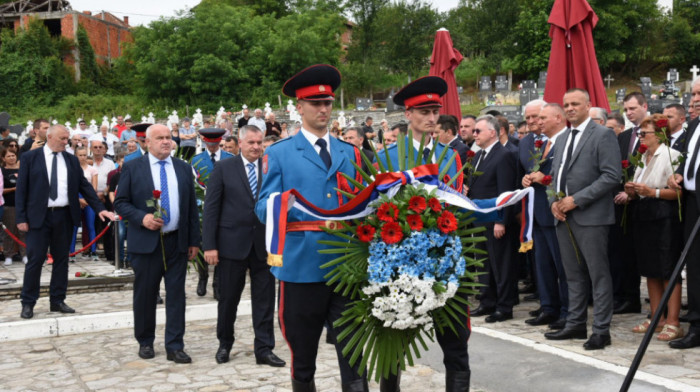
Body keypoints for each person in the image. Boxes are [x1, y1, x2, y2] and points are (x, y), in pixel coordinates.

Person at [255, 64, 368, 392]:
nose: (323, 109)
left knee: (355, 357)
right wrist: (281, 204)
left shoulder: (351, 153)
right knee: (303, 360)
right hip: (301, 268)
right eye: (315, 103)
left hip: (347, 267)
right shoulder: (279, 154)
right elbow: (262, 208)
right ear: (299, 108)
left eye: (328, 103)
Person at [377, 76, 470, 392]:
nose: (432, 118)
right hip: (399, 267)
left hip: (443, 264)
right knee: (393, 349)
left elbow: (456, 209)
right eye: (424, 111)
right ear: (407, 115)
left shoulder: (449, 157)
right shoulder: (386, 158)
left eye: (435, 111)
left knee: (456, 347)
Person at [114, 124, 200, 363]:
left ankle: (175, 345)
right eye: (160, 138)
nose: (166, 142)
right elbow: (120, 203)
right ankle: (145, 341)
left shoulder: (183, 168)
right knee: (145, 294)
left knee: (176, 295)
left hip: (177, 242)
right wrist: (142, 217)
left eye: (168, 138)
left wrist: (194, 240)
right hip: (147, 242)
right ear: (147, 143)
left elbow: (191, 207)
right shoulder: (132, 168)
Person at [545, 88, 621, 350]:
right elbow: (555, 176)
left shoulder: (603, 135)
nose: (569, 108)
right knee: (572, 274)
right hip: (563, 216)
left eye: (575, 103)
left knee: (598, 274)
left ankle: (601, 330)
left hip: (591, 216)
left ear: (589, 105)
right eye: (566, 104)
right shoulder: (563, 137)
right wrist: (553, 202)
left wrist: (576, 199)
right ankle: (576, 323)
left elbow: (611, 176)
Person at [202, 124, 284, 367]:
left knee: (265, 300)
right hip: (230, 246)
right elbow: (211, 209)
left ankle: (264, 348)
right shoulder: (223, 168)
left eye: (260, 143)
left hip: (264, 246)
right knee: (228, 300)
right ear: (239, 143)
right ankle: (224, 343)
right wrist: (210, 245)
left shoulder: (271, 169)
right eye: (251, 143)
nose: (256, 147)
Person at [16, 125, 114, 319]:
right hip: (39, 217)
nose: (67, 142)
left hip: (64, 216)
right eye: (62, 138)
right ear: (50, 137)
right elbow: (22, 190)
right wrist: (21, 217)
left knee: (62, 260)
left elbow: (84, 187)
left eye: (67, 138)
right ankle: (28, 302)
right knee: (35, 260)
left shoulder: (70, 160)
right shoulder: (30, 158)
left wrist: (101, 209)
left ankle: (57, 300)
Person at [624, 114, 684, 341]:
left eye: (644, 133)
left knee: (668, 268)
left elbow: (679, 192)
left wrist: (653, 192)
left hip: (664, 215)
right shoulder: (643, 157)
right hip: (644, 213)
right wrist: (632, 189)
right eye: (639, 133)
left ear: (659, 134)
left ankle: (673, 321)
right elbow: (642, 186)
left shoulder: (671, 155)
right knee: (650, 269)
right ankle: (657, 317)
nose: (640, 137)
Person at [521, 103, 569, 329]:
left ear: (558, 118)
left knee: (563, 266)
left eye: (542, 118)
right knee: (543, 265)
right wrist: (528, 178)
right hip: (538, 211)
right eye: (535, 118)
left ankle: (567, 311)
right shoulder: (541, 144)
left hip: (557, 210)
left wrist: (545, 179)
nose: (537, 122)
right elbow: (535, 170)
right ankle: (549, 307)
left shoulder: (567, 140)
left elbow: (566, 173)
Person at [667, 77, 700, 349]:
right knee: (696, 265)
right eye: (693, 93)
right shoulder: (695, 126)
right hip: (691, 201)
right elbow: (690, 160)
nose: (696, 98)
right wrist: (679, 174)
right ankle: (697, 325)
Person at [191, 128, 234, 299]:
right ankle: (203, 278)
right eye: (210, 143)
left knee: (222, 246)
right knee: (203, 245)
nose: (213, 146)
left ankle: (217, 283)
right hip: (203, 208)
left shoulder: (230, 159)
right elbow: (193, 186)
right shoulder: (196, 160)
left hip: (225, 208)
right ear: (204, 142)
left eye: (216, 143)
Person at [69, 146, 99, 262]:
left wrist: (87, 199)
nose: (82, 157)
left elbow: (94, 188)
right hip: (76, 198)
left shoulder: (92, 170)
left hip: (89, 199)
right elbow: (70, 188)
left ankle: (93, 251)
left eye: (84, 155)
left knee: (90, 225)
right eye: (80, 155)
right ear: (76, 156)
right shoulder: (72, 169)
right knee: (74, 226)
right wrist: (78, 199)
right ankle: (72, 252)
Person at [2, 147, 25, 265]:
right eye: (8, 156)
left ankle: (25, 254)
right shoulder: (2, 171)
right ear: (3, 158)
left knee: (24, 231)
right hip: (8, 205)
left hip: (23, 205)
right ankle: (8, 255)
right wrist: (13, 189)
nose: (11, 158)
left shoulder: (23, 169)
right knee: (9, 231)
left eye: (13, 155)